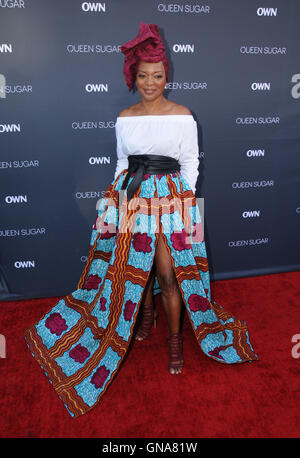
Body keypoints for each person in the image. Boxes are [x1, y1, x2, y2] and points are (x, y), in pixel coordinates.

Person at [24, 22, 258, 419]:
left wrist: (181, 202)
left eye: (158, 76)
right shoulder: (124, 117)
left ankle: (174, 339)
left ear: (168, 76)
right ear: (134, 77)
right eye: (144, 76)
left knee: (168, 272)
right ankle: (145, 314)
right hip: (130, 194)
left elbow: (190, 164)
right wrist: (115, 198)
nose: (151, 83)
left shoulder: (183, 115)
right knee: (131, 265)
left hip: (171, 200)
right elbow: (121, 161)